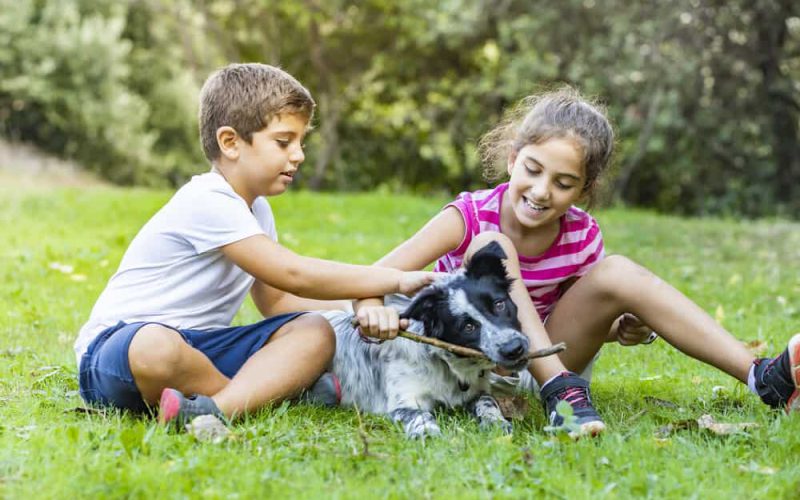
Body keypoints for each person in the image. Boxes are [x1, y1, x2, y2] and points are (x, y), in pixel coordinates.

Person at [350, 87, 799, 436]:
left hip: (541, 362)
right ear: (511, 159)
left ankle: (761, 377)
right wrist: (371, 308)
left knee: (619, 270)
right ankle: (560, 395)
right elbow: (373, 278)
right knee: (493, 244)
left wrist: (621, 328)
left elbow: (583, 323)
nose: (542, 191)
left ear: (583, 190)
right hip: (472, 373)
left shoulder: (581, 234)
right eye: (533, 170)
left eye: (563, 183)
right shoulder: (467, 215)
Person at [74, 63, 436, 427]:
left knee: (314, 331)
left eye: (300, 142)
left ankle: (209, 411)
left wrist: (356, 306)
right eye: (283, 142)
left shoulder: (256, 209)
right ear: (230, 142)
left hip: (202, 349)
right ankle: (257, 397)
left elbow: (277, 300)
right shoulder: (207, 198)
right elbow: (290, 272)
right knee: (157, 346)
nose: (298, 155)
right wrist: (391, 280)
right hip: (117, 353)